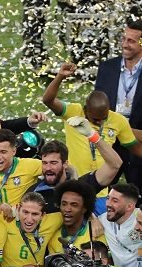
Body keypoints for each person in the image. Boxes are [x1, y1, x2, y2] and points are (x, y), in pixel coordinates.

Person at [42, 62, 142, 209]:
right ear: (86, 110)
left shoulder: (118, 120)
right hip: (75, 185)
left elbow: (135, 149)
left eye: (104, 117)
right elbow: (48, 100)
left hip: (100, 191)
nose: (100, 122)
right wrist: (60, 77)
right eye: (96, 119)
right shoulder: (74, 111)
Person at [95, 16, 142, 195]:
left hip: (138, 143)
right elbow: (97, 101)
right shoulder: (107, 67)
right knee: (98, 193)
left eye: (131, 41)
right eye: (123, 39)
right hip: (109, 142)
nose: (125, 44)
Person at [0, 192, 62, 267]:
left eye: (35, 214)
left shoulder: (51, 221)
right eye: (25, 212)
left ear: (42, 215)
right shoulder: (5, 219)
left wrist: (92, 219)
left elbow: (76, 212)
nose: (29, 219)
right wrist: (2, 206)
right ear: (18, 209)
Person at [48, 180, 107, 254]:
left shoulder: (96, 233)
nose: (67, 209)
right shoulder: (53, 237)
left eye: (74, 205)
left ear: (84, 208)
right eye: (64, 204)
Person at [98, 183, 142, 267]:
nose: (108, 204)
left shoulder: (140, 217)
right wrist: (93, 218)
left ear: (129, 206)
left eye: (115, 200)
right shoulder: (102, 220)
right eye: (108, 198)